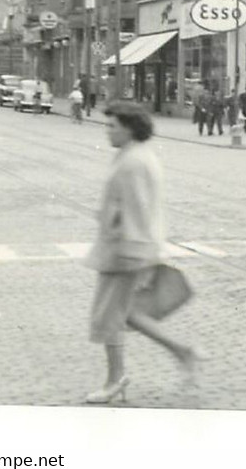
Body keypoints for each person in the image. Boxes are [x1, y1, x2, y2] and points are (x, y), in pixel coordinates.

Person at [84, 101, 201, 403]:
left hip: (124, 250)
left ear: (129, 127)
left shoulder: (133, 161)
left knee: (110, 317)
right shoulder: (135, 156)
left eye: (112, 126)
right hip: (126, 247)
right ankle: (182, 351)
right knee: (128, 315)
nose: (107, 131)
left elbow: (137, 208)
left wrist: (130, 250)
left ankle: (115, 380)